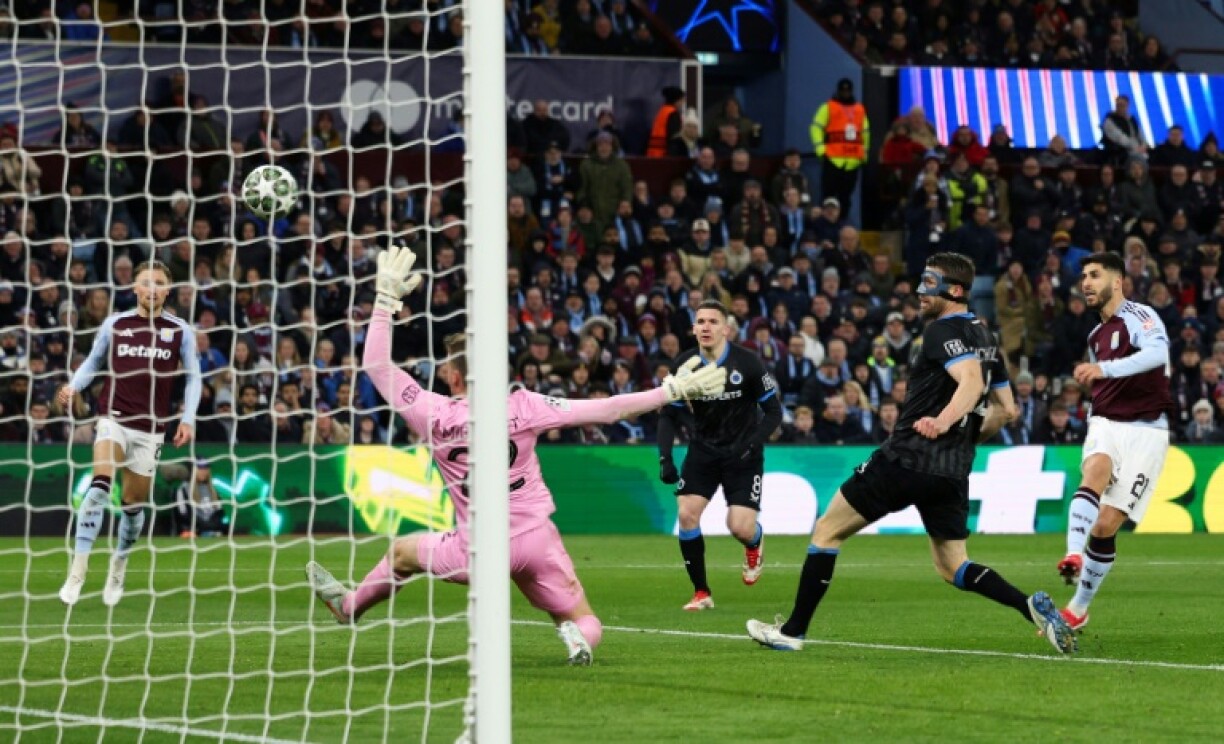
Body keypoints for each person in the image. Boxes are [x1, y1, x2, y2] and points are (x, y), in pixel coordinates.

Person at [307, 245, 726, 666]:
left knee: (401, 552)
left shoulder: (431, 412)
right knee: (583, 618)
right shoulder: (523, 406)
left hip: (477, 550)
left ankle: (349, 607)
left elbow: (377, 366)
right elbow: (607, 407)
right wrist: (669, 391)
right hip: (535, 541)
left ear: (452, 375)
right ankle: (577, 639)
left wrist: (384, 301)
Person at [746, 252, 1077, 655]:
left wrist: (941, 422)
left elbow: (970, 384)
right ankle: (1028, 607)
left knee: (827, 532)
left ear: (954, 290)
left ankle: (793, 632)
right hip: (952, 471)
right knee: (954, 567)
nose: (920, 292)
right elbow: (1007, 410)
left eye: (929, 283)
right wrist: (963, 439)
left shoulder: (941, 331)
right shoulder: (988, 338)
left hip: (906, 458)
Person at [57, 260, 202, 607]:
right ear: (134, 289)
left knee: (132, 508)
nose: (151, 289)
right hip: (113, 418)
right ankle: (77, 573)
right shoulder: (115, 324)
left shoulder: (180, 330)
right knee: (98, 489)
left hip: (151, 429)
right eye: (145, 283)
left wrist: (188, 418)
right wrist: (74, 386)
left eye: (159, 283)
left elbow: (194, 376)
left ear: (168, 290)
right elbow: (93, 362)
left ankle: (118, 565)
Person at [1056, 252, 1173, 630]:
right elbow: (1106, 383)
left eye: (1094, 275)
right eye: (1083, 277)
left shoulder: (1141, 317)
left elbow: (1158, 354)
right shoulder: (1095, 335)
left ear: (1117, 280)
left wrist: (1103, 368)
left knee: (1105, 526)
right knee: (1096, 469)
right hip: (1106, 422)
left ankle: (1078, 607)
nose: (1085, 283)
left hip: (1147, 432)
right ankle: (1073, 555)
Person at [656, 300, 783, 610]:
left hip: (743, 454)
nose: (706, 327)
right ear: (694, 328)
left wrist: (753, 442)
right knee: (686, 514)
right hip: (703, 452)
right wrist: (665, 458)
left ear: (726, 329)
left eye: (713, 321)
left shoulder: (748, 363)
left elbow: (773, 412)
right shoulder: (685, 366)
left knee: (739, 526)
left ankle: (754, 542)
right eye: (700, 321)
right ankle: (702, 592)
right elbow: (668, 415)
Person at [810, 78, 870, 216]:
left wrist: (864, 152)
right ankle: (826, 225)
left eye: (848, 91)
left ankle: (842, 225)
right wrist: (820, 148)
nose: (845, 93)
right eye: (843, 91)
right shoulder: (828, 107)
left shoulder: (860, 109)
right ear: (838, 91)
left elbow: (865, 132)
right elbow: (816, 127)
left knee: (845, 198)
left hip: (852, 161)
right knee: (828, 196)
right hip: (833, 159)